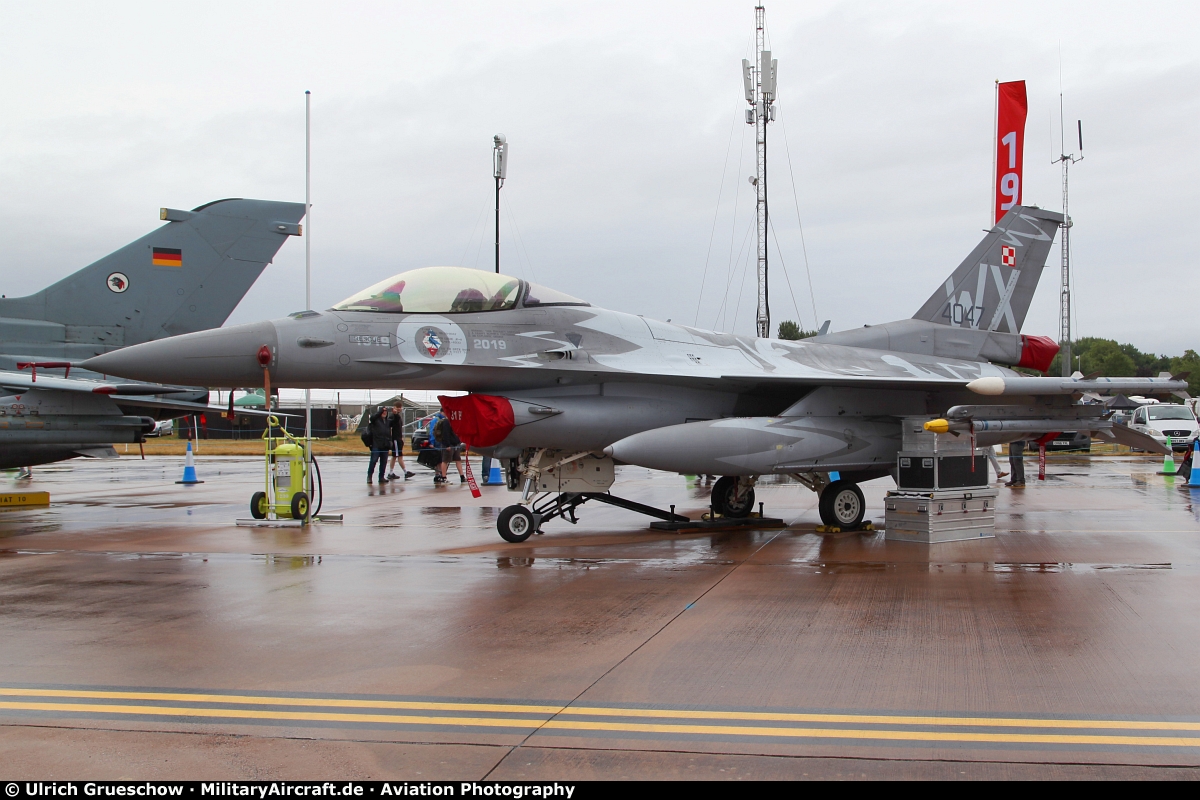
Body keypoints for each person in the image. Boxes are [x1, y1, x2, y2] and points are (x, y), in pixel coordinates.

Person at [433, 411, 466, 483]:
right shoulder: (446, 422)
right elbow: (446, 434)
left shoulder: (455, 422)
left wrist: (459, 442)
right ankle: (443, 477)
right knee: (445, 461)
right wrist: (447, 445)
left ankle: (462, 476)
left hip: (456, 444)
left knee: (458, 460)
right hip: (448, 445)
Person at [386, 402, 415, 481]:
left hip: (398, 439)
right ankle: (405, 472)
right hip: (395, 439)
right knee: (399, 456)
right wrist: (395, 414)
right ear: (394, 407)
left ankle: (391, 472)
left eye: (400, 407)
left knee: (395, 456)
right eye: (397, 407)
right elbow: (391, 424)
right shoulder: (393, 416)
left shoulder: (398, 416)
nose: (399, 408)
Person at [366, 406, 393, 485]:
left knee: (384, 462)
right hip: (376, 444)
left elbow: (395, 421)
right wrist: (380, 411)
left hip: (385, 445)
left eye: (386, 411)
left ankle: (381, 477)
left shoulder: (388, 421)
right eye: (383, 411)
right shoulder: (375, 420)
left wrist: (395, 414)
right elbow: (372, 418)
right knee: (373, 461)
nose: (384, 413)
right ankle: (369, 476)